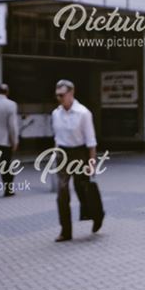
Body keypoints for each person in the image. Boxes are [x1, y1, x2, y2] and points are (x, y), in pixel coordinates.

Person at [51, 79, 103, 242]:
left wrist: (92, 163)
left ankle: (97, 216)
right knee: (62, 192)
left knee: (83, 191)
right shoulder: (56, 113)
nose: (59, 98)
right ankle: (65, 231)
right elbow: (57, 137)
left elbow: (91, 141)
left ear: (71, 93)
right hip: (63, 154)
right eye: (57, 95)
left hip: (80, 153)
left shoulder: (83, 113)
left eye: (62, 95)